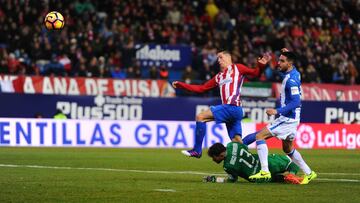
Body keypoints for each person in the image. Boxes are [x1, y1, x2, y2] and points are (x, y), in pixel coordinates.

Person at [172, 51, 271, 158]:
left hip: (232, 107)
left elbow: (255, 73)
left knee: (200, 117)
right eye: (218, 58)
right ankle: (266, 132)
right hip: (234, 111)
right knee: (238, 143)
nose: (218, 60)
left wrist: (261, 65)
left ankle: (197, 150)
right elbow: (201, 88)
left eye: (220, 57)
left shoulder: (238, 68)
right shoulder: (219, 77)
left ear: (228, 58)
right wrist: (182, 85)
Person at [247, 50, 317, 184]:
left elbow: (296, 102)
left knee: (260, 136)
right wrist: (287, 53)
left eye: (282, 61)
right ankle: (309, 173)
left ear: (290, 63)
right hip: (294, 119)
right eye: (279, 60)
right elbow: (282, 69)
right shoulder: (295, 73)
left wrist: (277, 111)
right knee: (287, 148)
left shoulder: (290, 81)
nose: (279, 63)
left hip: (287, 119)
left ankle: (264, 171)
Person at [205, 142, 303, 184]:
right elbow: (245, 147)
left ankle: (285, 178)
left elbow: (232, 180)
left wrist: (215, 179)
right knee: (291, 162)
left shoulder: (227, 166)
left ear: (221, 155)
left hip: (258, 178)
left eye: (214, 157)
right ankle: (292, 174)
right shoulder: (232, 145)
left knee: (278, 179)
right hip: (264, 162)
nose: (213, 160)